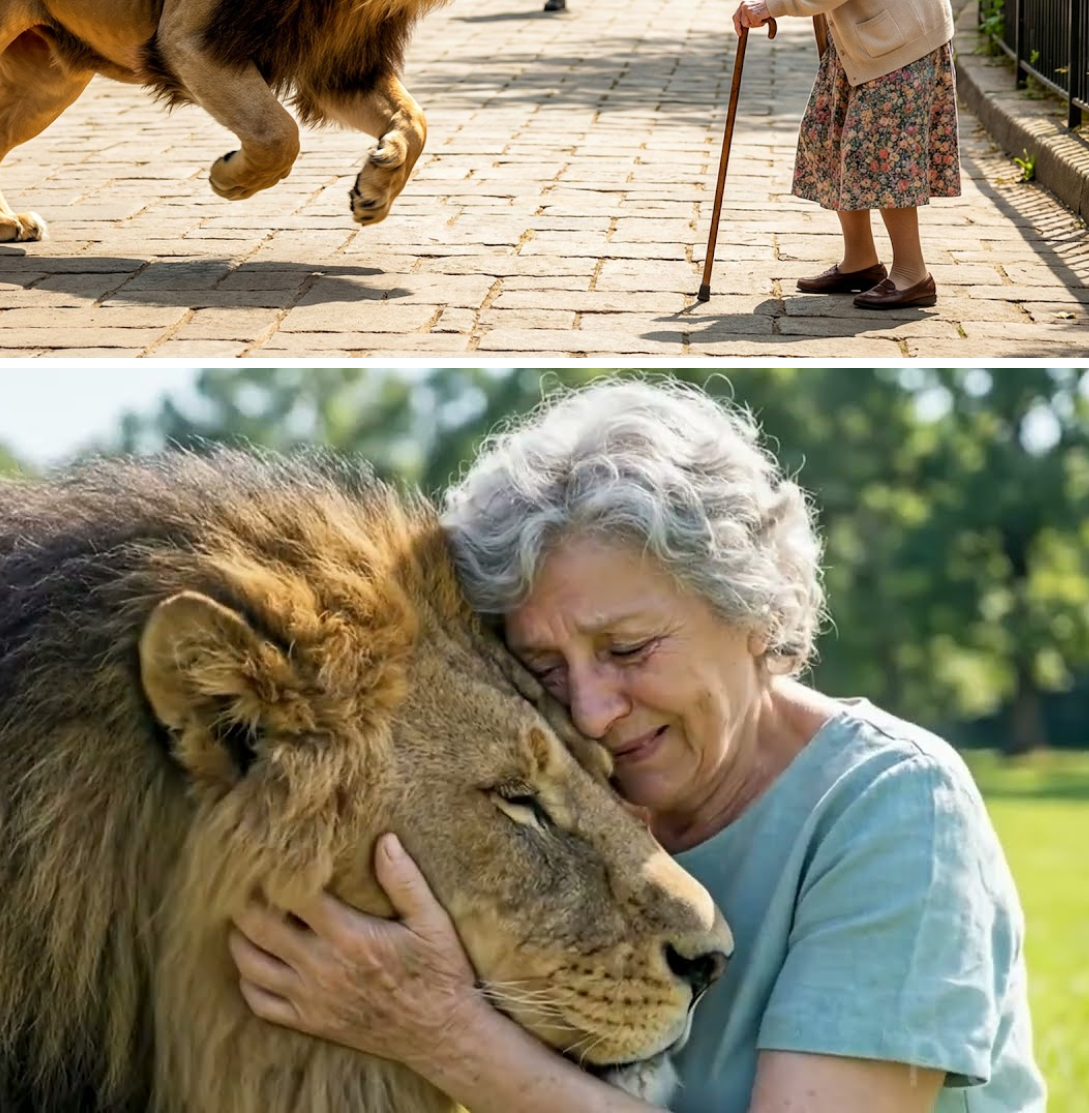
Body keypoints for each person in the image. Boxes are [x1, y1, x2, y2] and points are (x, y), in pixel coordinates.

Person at [227, 379, 1047, 1113]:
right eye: (542, 665)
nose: (587, 711)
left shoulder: (897, 807)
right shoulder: (567, 790)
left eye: (628, 649)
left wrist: (443, 1032)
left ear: (754, 610)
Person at [735, 0, 960, 310]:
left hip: (898, 41)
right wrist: (766, 3)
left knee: (883, 154)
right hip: (862, 39)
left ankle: (912, 276)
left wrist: (773, 4)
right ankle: (861, 261)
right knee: (831, 140)